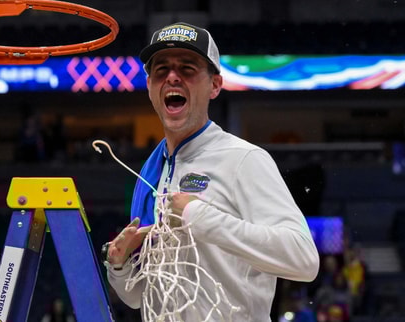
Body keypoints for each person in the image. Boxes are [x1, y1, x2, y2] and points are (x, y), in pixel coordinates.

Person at [101, 22, 320, 321]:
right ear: (150, 85)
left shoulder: (244, 159)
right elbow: (141, 298)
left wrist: (201, 218)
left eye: (187, 68)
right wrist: (120, 266)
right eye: (161, 70)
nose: (172, 77)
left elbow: (304, 260)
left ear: (215, 85)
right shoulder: (152, 172)